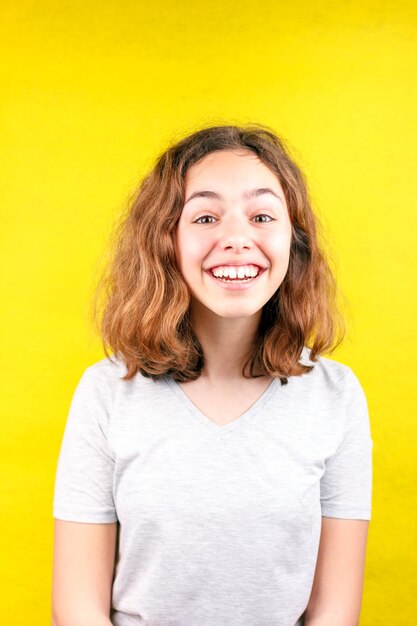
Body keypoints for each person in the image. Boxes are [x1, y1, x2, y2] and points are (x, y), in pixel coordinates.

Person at [52, 124, 373, 626]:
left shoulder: (337, 396)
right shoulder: (107, 392)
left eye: (262, 215)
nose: (237, 239)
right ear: (165, 241)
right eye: (205, 216)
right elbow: (77, 609)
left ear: (295, 240)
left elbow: (334, 611)